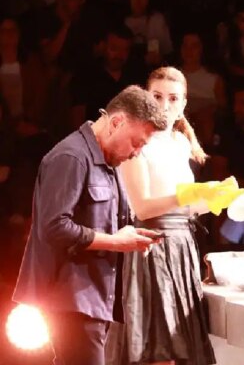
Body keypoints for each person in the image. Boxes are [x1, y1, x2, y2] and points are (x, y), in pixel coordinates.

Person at [13, 86, 167, 364]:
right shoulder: (70, 157)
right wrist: (116, 242)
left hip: (94, 298)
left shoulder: (108, 161)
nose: (137, 153)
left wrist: (128, 236)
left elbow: (102, 223)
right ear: (116, 122)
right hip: (70, 300)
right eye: (136, 142)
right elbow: (54, 226)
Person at [106, 67, 221, 364]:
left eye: (173, 98)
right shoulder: (137, 141)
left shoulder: (181, 143)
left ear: (183, 104)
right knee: (159, 349)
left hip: (182, 246)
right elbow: (143, 207)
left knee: (181, 348)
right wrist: (189, 195)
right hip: (151, 246)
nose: (164, 105)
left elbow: (185, 208)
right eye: (157, 96)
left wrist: (219, 199)